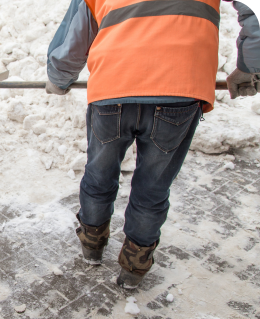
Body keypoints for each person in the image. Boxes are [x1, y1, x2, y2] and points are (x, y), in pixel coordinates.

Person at [46, 0, 259, 288]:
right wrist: (251, 66)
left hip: (113, 87)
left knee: (99, 173)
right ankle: (134, 269)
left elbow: (76, 34)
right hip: (180, 91)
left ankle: (92, 245)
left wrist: (59, 78)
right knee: (152, 187)